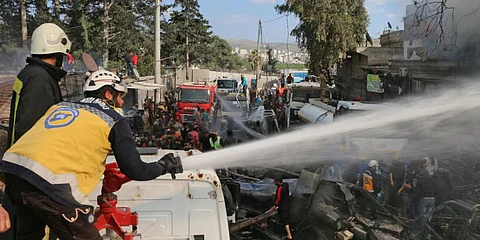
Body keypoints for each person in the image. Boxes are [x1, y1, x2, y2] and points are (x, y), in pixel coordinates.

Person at [0, 70, 183, 240]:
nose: (122, 102)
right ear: (108, 95)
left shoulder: (60, 107)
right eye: (121, 96)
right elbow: (135, 170)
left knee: (31, 235)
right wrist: (163, 166)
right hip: (50, 186)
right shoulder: (114, 119)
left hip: (13, 173)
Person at [1, 22, 72, 240]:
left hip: (22, 174)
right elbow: (33, 132)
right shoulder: (41, 80)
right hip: (33, 177)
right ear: (58, 54)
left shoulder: (30, 74)